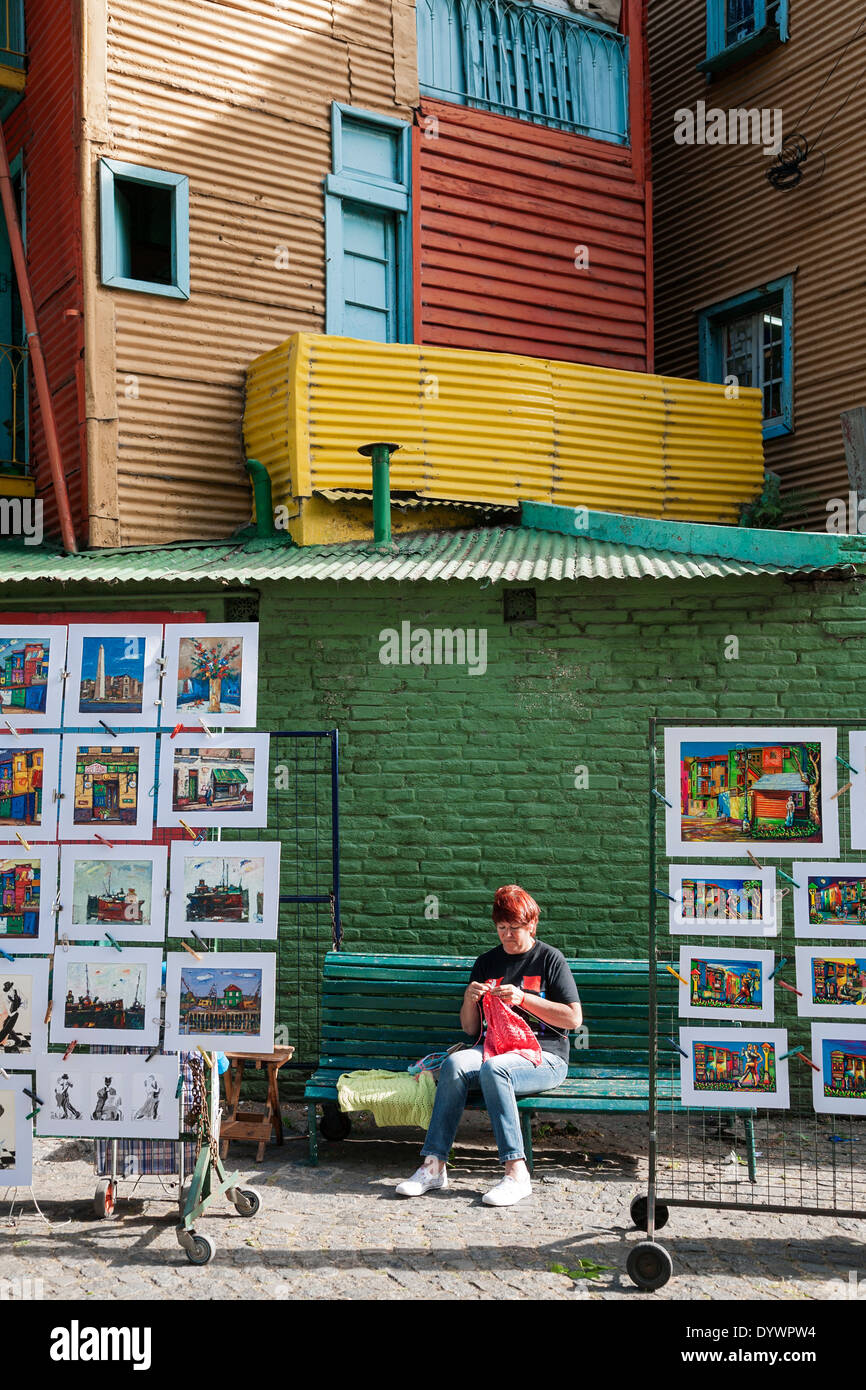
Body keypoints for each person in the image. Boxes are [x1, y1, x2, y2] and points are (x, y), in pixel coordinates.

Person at [395, 885, 581, 1208]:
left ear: (532, 925)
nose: (508, 935)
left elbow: (573, 1019)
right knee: (454, 1065)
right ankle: (434, 1165)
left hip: (545, 1055)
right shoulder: (487, 963)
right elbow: (469, 1028)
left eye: (515, 928)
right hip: (494, 1047)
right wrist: (469, 1000)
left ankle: (516, 1172)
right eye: (502, 928)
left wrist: (524, 998)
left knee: (496, 1070)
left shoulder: (550, 959)